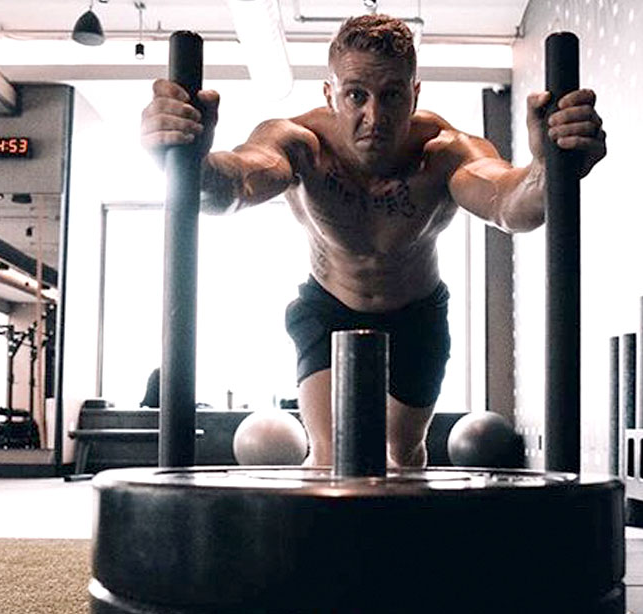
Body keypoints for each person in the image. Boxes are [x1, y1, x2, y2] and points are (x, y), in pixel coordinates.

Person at [140, 14, 607, 468]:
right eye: (356, 95)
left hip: (418, 314)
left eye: (391, 95)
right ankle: (326, 548)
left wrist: (550, 170)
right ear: (331, 93)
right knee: (328, 458)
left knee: (401, 456)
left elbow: (509, 205)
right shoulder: (300, 144)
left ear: (414, 92)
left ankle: (399, 548)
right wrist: (189, 163)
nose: (374, 116)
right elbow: (236, 185)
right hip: (328, 306)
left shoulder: (444, 152)